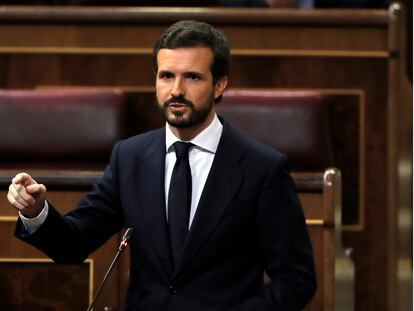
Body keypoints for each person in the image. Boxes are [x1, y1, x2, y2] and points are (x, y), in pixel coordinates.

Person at [7, 20, 316, 311]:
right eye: (166, 76)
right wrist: (36, 212)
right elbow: (73, 244)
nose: (176, 90)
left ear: (219, 85)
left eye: (192, 77)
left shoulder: (263, 168)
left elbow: (296, 280)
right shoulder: (130, 157)